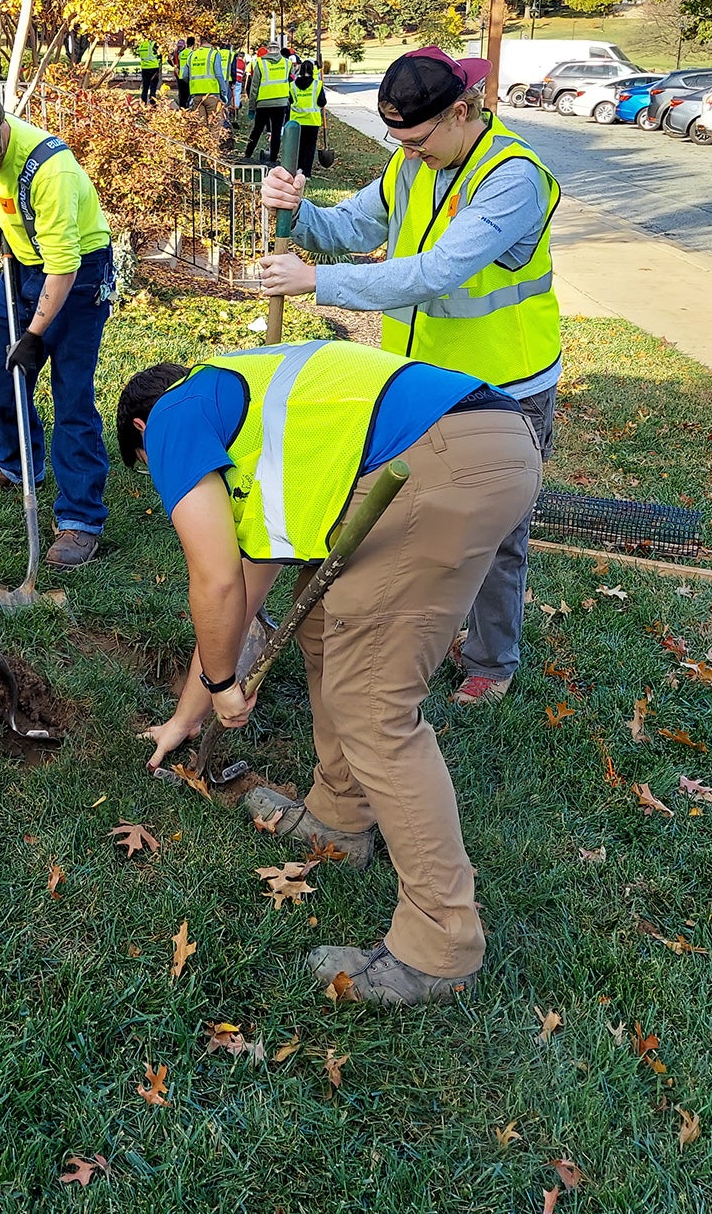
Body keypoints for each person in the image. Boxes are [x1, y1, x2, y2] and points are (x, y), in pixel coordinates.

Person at [119, 339, 542, 1005]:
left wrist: (226, 685)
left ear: (142, 432)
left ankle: (441, 947)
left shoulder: (174, 417)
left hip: (435, 461)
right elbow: (243, 593)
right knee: (323, 633)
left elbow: (215, 579)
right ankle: (339, 817)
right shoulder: (245, 404)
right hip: (475, 439)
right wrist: (189, 714)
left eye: (151, 471)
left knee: (376, 710)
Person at [255, 47, 562, 707]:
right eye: (401, 143)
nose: (409, 155)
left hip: (505, 388)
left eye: (418, 142)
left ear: (461, 111)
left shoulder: (513, 177)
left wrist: (317, 282)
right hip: (421, 383)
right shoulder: (410, 162)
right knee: (413, 518)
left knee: (496, 534)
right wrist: (294, 211)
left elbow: (436, 271)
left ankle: (492, 660)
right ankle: (421, 629)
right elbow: (341, 228)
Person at [0, 76, 113, 568]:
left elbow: (65, 265)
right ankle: (17, 464)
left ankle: (81, 518)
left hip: (76, 277)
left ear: (0, 128)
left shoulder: (50, 169)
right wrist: (4, 223)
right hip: (22, 267)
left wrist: (34, 334)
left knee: (70, 395)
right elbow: (2, 193)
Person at [244, 44, 293, 162]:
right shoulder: (287, 63)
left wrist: (252, 107)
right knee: (276, 133)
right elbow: (289, 81)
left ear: (268, 50)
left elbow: (254, 87)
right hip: (280, 103)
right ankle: (273, 159)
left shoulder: (260, 63)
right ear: (278, 51)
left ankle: (247, 154)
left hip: (263, 103)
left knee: (257, 130)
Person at [288, 57, 328, 175]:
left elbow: (290, 101)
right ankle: (307, 172)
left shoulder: (293, 85)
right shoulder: (317, 84)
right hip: (312, 121)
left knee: (298, 147)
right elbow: (322, 102)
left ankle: (297, 169)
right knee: (309, 148)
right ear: (312, 70)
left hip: (297, 122)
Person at [135, 33, 162, 106]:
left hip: (144, 68)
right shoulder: (153, 44)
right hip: (153, 68)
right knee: (153, 87)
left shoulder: (141, 45)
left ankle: (143, 103)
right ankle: (152, 103)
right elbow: (160, 53)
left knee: (145, 87)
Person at [175, 37, 192, 109]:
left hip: (182, 76)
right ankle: (184, 107)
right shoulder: (190, 53)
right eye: (178, 46)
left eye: (180, 46)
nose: (179, 48)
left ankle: (183, 107)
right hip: (182, 76)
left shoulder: (181, 54)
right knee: (184, 94)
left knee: (183, 94)